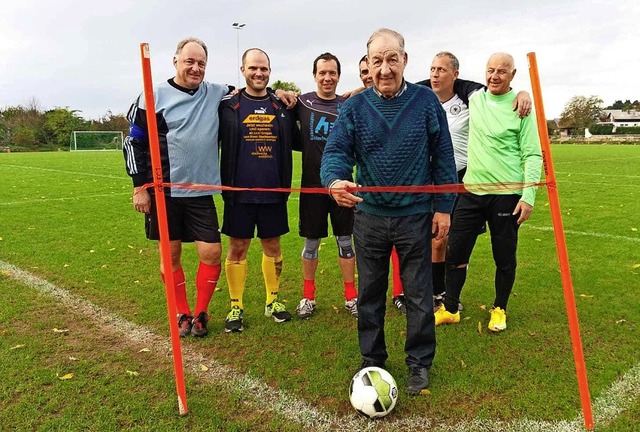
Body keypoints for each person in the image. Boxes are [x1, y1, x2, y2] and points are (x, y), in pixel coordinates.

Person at [321, 28, 457, 395]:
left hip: (416, 216)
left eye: (392, 59)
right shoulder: (353, 107)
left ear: (404, 60)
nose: (384, 68)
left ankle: (419, 363)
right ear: (368, 64)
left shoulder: (426, 102)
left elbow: (444, 157)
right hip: (370, 218)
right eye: (377, 61)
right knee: (370, 293)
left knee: (418, 294)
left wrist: (443, 208)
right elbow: (335, 153)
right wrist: (335, 181)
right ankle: (372, 360)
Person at [389, 51, 532, 318]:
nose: (435, 74)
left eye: (441, 69)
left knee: (447, 240)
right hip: (426, 180)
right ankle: (414, 293)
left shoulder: (471, 98)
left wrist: (522, 93)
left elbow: (500, 89)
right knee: (418, 237)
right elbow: (401, 86)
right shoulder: (421, 98)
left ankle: (446, 296)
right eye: (432, 68)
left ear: (455, 74)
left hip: (463, 181)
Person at [123, 37, 228, 338]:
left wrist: (283, 93)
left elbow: (251, 91)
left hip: (201, 191)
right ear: (176, 62)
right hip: (164, 192)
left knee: (211, 253)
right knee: (170, 257)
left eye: (201, 64)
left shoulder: (215, 92)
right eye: (189, 62)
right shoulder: (152, 96)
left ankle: (201, 313)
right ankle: (182, 312)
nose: (196, 68)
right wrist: (138, 187)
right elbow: (133, 141)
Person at [435, 52, 542, 332]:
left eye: (502, 72)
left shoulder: (522, 108)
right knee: (456, 253)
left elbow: (532, 154)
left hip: (506, 194)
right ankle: (450, 308)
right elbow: (435, 78)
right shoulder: (475, 97)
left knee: (504, 256)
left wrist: (528, 196)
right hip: (471, 190)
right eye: (490, 70)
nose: (494, 76)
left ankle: (499, 309)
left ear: (513, 74)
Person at [218, 48, 302, 333]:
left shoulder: (283, 107)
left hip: (273, 191)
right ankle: (236, 305)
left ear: (270, 71)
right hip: (238, 193)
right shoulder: (228, 105)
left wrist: (284, 92)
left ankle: (273, 301)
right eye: (253, 68)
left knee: (273, 246)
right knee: (237, 247)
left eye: (264, 68)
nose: (259, 73)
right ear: (243, 69)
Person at [293, 53, 358, 319]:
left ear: (339, 76)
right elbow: (273, 97)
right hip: (311, 187)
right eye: (322, 73)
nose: (327, 77)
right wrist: (283, 91)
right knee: (311, 242)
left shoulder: (348, 105)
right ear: (315, 75)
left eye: (332, 73)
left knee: (345, 241)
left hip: (342, 186)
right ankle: (308, 296)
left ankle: (351, 297)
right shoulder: (301, 102)